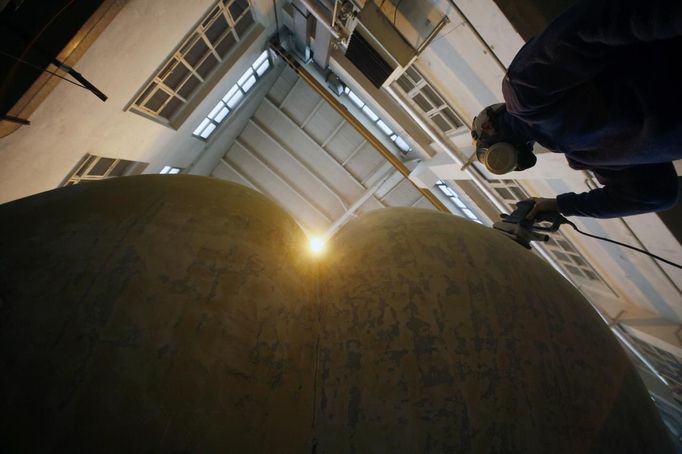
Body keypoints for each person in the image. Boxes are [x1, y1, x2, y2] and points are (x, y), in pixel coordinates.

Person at [471, 0, 681, 220]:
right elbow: (653, 195)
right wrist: (561, 205)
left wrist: (563, 206)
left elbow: (594, 22)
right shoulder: (585, 155)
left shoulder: (524, 97)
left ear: (488, 126)